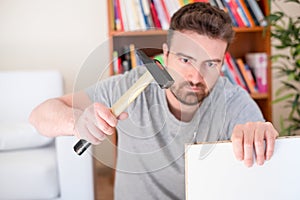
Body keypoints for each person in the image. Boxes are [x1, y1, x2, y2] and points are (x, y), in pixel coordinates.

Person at [30, 2, 279, 200]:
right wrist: (77, 123)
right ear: (166, 54)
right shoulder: (131, 85)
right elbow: (39, 116)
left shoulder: (233, 101)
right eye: (185, 60)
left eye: (211, 64)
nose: (196, 76)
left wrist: (257, 136)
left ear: (222, 63)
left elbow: (259, 150)